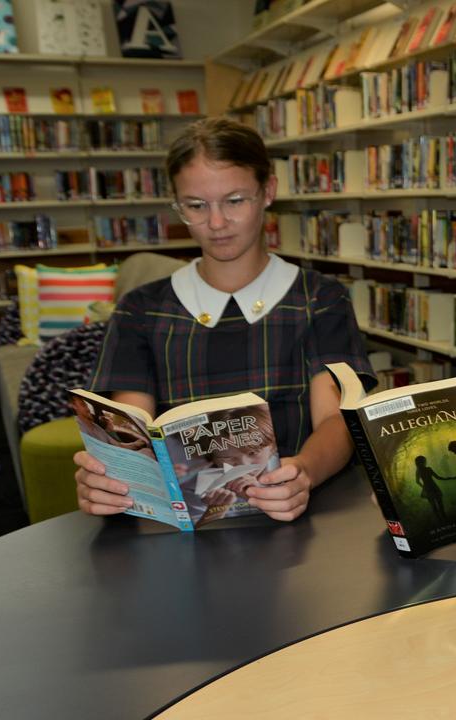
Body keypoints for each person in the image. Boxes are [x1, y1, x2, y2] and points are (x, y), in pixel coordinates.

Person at [73, 117, 375, 522]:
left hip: (307, 515)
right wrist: (108, 481)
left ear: (268, 191)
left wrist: (302, 472)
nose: (215, 223)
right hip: (187, 529)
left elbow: (336, 420)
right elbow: (131, 433)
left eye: (235, 200)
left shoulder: (320, 297)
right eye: (196, 206)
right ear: (178, 204)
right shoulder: (141, 310)